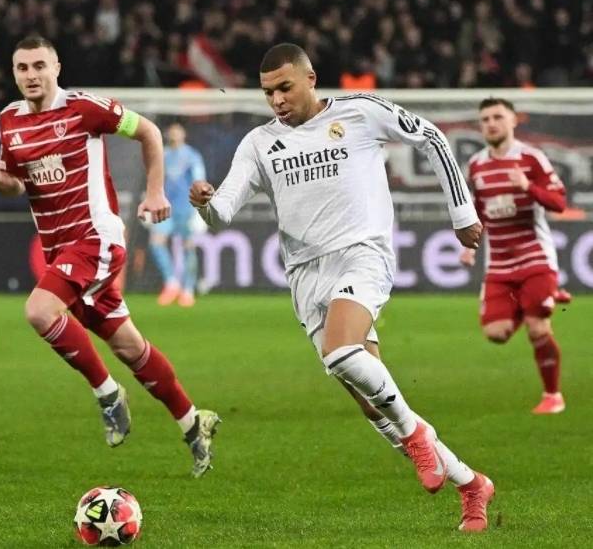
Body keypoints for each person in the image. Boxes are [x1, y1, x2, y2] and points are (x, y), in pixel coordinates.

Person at [190, 43, 494, 531]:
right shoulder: (259, 143)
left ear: (311, 78)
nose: (277, 100)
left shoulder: (360, 112)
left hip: (362, 254)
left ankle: (417, 434)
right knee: (370, 399)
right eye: (268, 93)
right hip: (304, 275)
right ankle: (471, 484)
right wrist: (205, 202)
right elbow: (222, 212)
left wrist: (461, 213)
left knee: (340, 352)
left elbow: (433, 138)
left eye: (285, 88)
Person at [0, 36, 220, 478]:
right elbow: (19, 185)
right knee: (128, 346)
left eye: (39, 65)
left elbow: (149, 131)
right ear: (14, 73)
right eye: (22, 67)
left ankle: (108, 394)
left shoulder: (83, 108)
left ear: (56, 67)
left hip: (95, 238)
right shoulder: (9, 120)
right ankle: (193, 422)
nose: (31, 75)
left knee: (39, 311)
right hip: (59, 250)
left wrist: (155, 191)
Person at [460, 98, 566, 414]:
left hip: (535, 257)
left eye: (497, 117)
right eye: (485, 119)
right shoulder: (476, 165)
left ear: (513, 121)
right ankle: (541, 297)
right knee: (496, 333)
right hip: (499, 263)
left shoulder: (532, 159)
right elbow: (478, 210)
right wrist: (470, 245)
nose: (491, 124)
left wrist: (528, 186)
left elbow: (559, 203)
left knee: (537, 327)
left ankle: (553, 396)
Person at [149, 122, 207, 307]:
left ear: (184, 134)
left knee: (188, 246)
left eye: (177, 131)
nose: (174, 134)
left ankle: (188, 290)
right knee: (156, 242)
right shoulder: (163, 155)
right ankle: (172, 282)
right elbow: (156, 180)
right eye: (172, 131)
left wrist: (200, 208)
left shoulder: (192, 156)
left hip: (186, 207)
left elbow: (199, 181)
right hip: (165, 207)